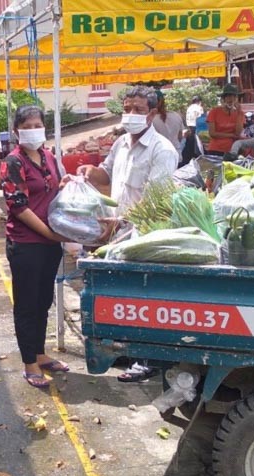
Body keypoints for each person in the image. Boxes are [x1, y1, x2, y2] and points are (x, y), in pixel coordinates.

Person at [76, 85, 178, 382]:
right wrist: (88, 171)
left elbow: (156, 202)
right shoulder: (121, 143)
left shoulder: (163, 151)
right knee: (122, 296)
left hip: (144, 234)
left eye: (139, 110)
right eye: (128, 108)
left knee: (144, 297)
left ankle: (149, 361)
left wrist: (119, 218)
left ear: (153, 113)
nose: (131, 115)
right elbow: (106, 175)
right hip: (117, 231)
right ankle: (130, 351)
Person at [0, 105, 70, 388]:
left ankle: (40, 354)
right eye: (26, 125)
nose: (33, 129)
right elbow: (18, 206)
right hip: (27, 243)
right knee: (27, 304)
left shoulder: (48, 156)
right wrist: (50, 234)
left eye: (37, 124)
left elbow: (53, 189)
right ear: (17, 131)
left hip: (50, 242)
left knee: (44, 301)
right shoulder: (13, 162)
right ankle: (29, 362)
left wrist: (67, 184)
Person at [206, 83, 245, 156]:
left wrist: (239, 113)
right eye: (228, 96)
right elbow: (212, 133)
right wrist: (231, 135)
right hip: (215, 149)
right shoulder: (214, 112)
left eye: (234, 96)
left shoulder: (240, 114)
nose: (231, 99)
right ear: (223, 99)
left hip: (232, 149)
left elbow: (237, 133)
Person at [152, 90, 185, 164]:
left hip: (159, 159)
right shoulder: (176, 115)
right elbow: (180, 137)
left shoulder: (149, 120)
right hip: (176, 156)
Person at [182, 95, 204, 164]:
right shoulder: (199, 107)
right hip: (197, 128)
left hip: (189, 129)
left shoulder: (189, 108)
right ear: (199, 101)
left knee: (190, 146)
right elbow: (201, 120)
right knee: (197, 147)